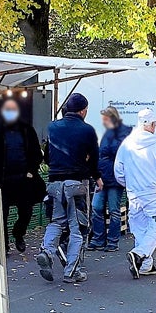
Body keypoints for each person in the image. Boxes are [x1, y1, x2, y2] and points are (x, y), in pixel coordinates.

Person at [37, 92, 99, 285]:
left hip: (55, 183)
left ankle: (47, 251)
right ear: (83, 110)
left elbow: (47, 156)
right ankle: (72, 271)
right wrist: (96, 176)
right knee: (78, 228)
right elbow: (94, 158)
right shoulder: (87, 130)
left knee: (56, 222)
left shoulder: (52, 127)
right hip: (77, 184)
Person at [113, 107, 156, 278]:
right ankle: (138, 254)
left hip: (134, 195)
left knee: (140, 229)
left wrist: (130, 185)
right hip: (154, 194)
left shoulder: (126, 144)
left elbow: (118, 171)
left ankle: (145, 265)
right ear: (152, 124)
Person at [0, 96, 44, 253]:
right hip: (2, 181)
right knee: (2, 215)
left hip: (24, 181)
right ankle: (4, 246)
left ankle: (19, 233)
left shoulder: (27, 130)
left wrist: (31, 171)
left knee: (26, 212)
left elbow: (37, 153)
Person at [95, 106, 132, 251]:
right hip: (104, 174)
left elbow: (116, 150)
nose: (103, 122)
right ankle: (99, 239)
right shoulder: (109, 133)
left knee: (113, 210)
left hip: (114, 177)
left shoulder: (123, 132)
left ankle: (112, 241)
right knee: (97, 207)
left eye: (105, 119)